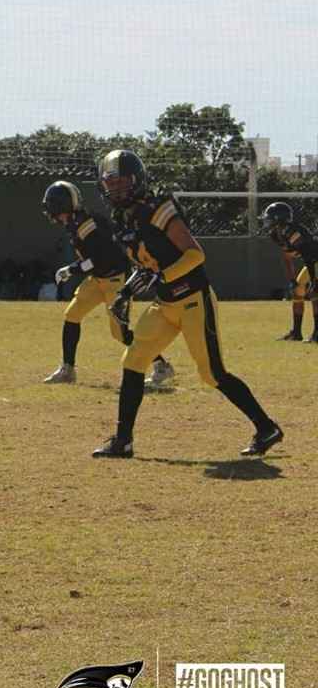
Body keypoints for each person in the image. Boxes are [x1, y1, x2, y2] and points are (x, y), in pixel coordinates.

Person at [92, 149, 283, 459]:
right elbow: (146, 266)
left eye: (122, 182)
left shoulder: (159, 208)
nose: (116, 189)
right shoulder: (123, 219)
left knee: (211, 373)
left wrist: (161, 276)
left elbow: (195, 255)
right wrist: (125, 294)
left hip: (193, 299)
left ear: (138, 180)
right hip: (165, 303)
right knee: (134, 360)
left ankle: (266, 428)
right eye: (110, 183)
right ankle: (122, 441)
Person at [40, 180, 173, 385]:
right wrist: (74, 268)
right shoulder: (76, 222)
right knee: (72, 315)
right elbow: (92, 257)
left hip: (113, 279)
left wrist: (72, 269)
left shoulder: (86, 224)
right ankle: (67, 369)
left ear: (61, 206)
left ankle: (162, 366)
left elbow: (98, 259)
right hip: (98, 278)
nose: (52, 214)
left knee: (119, 333)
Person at [259, 201, 318, 342]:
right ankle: (296, 333)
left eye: (269, 218)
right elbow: (287, 257)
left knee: (315, 293)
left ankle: (317, 333)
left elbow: (310, 255)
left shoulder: (294, 232)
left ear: (278, 219)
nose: (266, 222)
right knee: (297, 291)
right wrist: (292, 280)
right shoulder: (277, 234)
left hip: (315, 260)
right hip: (311, 261)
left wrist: (314, 280)